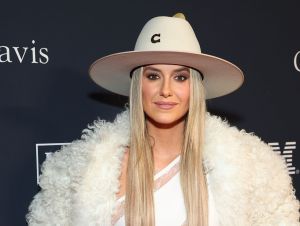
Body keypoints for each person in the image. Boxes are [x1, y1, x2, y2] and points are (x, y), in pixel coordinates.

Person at [26, 13, 300, 226]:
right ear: (138, 84)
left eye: (180, 77)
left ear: (195, 86)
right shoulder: (81, 170)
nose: (166, 90)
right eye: (153, 76)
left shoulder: (252, 166)